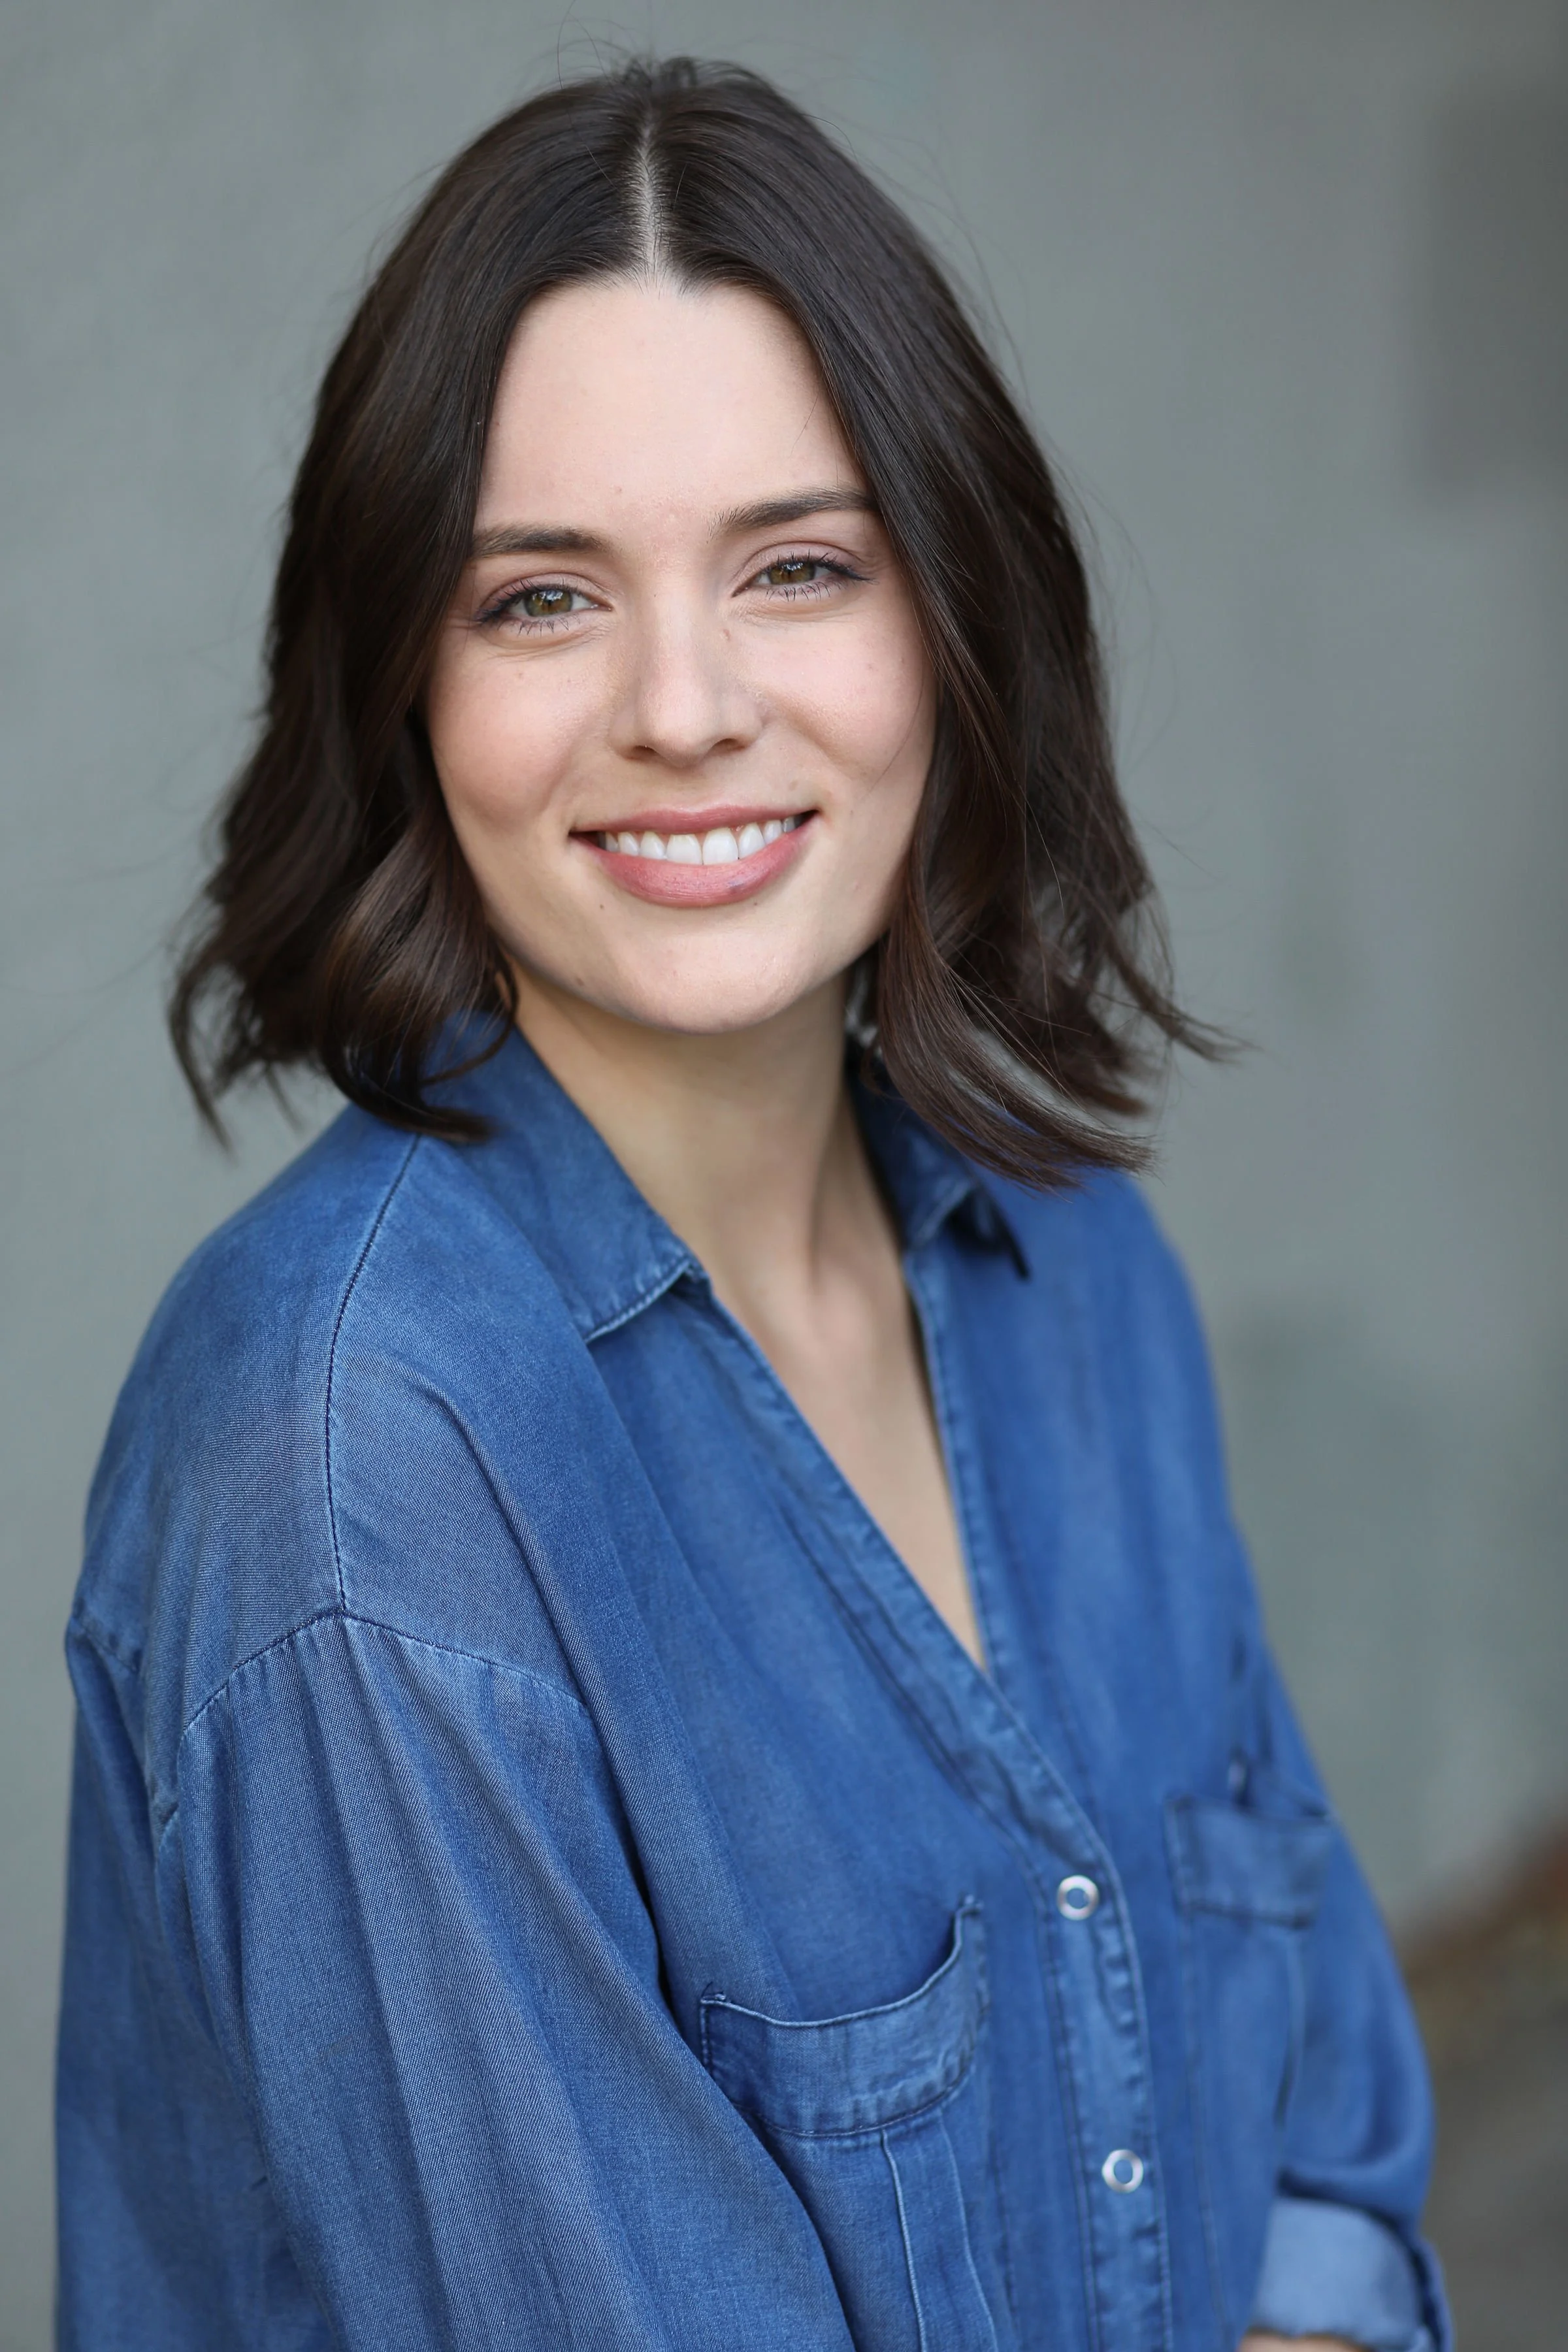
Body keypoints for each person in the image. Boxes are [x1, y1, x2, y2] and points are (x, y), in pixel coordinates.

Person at [56, 57, 1446, 2352]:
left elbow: (1320, 2133)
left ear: (952, 627)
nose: (686, 707)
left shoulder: (1070, 1251)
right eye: (539, 601)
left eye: (799, 567)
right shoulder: (355, 1471)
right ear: (400, 681)